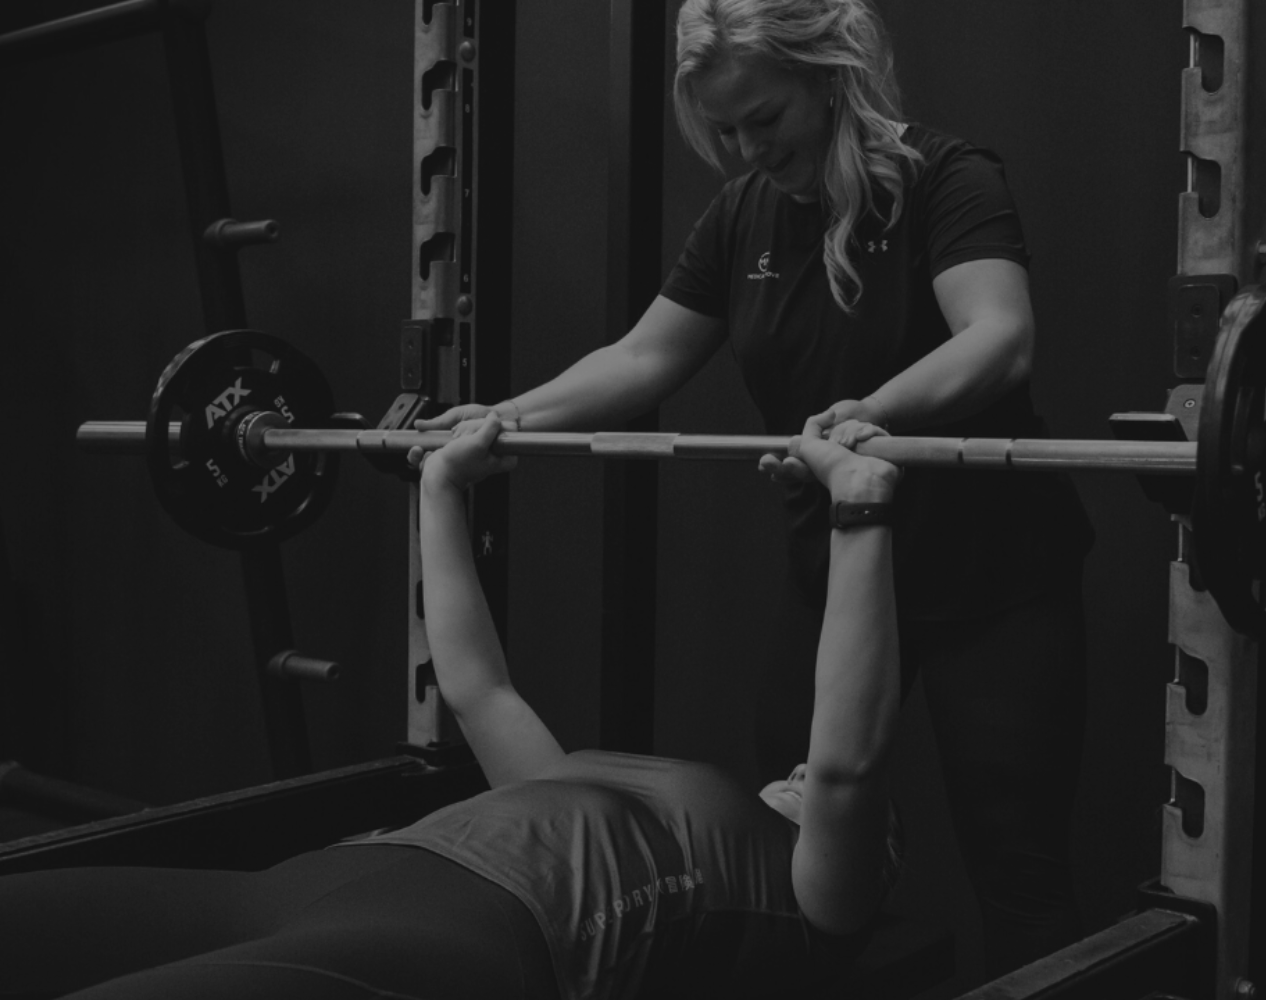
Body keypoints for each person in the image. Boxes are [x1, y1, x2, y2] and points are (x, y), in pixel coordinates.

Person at [419, 0, 1093, 975]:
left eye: (763, 119)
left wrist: (865, 415)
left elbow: (999, 337)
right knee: (796, 864)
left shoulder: (948, 178)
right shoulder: (745, 214)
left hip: (995, 581)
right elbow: (645, 356)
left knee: (1018, 867)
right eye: (725, 128)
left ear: (830, 75)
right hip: (840, 574)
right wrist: (499, 418)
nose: (744, 146)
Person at [0, 411, 906, 1000]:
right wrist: (442, 488)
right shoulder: (576, 791)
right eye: (790, 774)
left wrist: (859, 514)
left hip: (459, 941)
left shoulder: (811, 901)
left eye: (808, 791)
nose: (793, 777)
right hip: (316, 884)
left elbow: (846, 762)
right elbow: (478, 686)